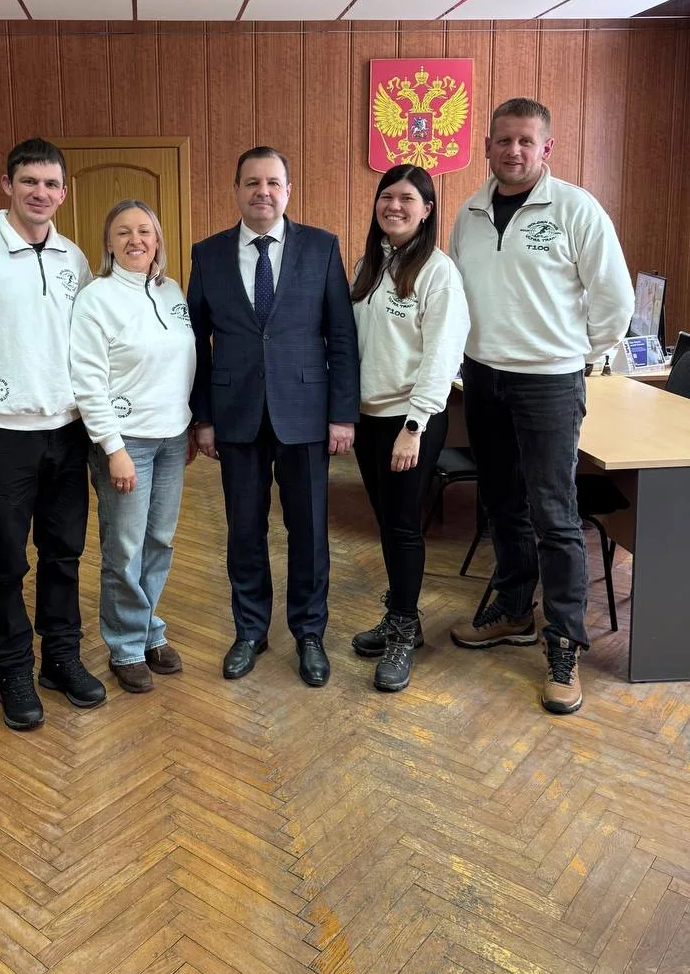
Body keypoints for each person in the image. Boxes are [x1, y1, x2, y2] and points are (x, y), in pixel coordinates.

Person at [448, 98, 634, 715]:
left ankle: (563, 644)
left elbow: (615, 299)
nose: (514, 151)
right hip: (483, 377)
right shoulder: (469, 214)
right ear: (487, 146)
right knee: (501, 503)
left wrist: (576, 354)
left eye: (526, 141)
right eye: (503, 140)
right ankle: (513, 609)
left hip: (548, 382)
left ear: (546, 148)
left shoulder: (577, 209)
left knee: (555, 514)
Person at [0, 138, 106, 731]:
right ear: (7, 185)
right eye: (29, 181)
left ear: (63, 193)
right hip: (0, 433)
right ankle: (13, 669)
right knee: (6, 561)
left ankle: (60, 657)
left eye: (51, 184)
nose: (41, 193)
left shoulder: (73, 258)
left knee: (64, 553)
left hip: (67, 430)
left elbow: (89, 343)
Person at [187, 146, 359, 687]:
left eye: (273, 183)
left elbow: (341, 336)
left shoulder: (321, 247)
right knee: (244, 529)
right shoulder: (207, 254)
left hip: (306, 414)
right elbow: (195, 345)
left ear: (288, 191)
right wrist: (203, 417)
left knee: (308, 530)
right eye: (252, 182)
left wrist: (342, 415)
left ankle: (309, 633)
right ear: (236, 190)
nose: (263, 192)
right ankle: (250, 630)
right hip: (235, 414)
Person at [350, 165, 470, 692]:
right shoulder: (369, 265)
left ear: (426, 210)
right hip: (368, 417)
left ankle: (403, 630)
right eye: (387, 196)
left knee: (402, 526)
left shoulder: (438, 272)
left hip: (410, 420)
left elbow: (442, 355)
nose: (394, 206)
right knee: (387, 521)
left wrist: (415, 425)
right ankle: (403, 615)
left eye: (407, 199)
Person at [70, 201, 196, 693]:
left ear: (157, 239)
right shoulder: (96, 298)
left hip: (172, 437)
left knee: (159, 540)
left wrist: (186, 425)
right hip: (126, 443)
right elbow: (87, 380)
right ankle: (124, 646)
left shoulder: (172, 291)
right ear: (109, 242)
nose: (135, 240)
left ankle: (147, 631)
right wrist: (113, 447)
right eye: (123, 232)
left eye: (145, 230)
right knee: (124, 548)